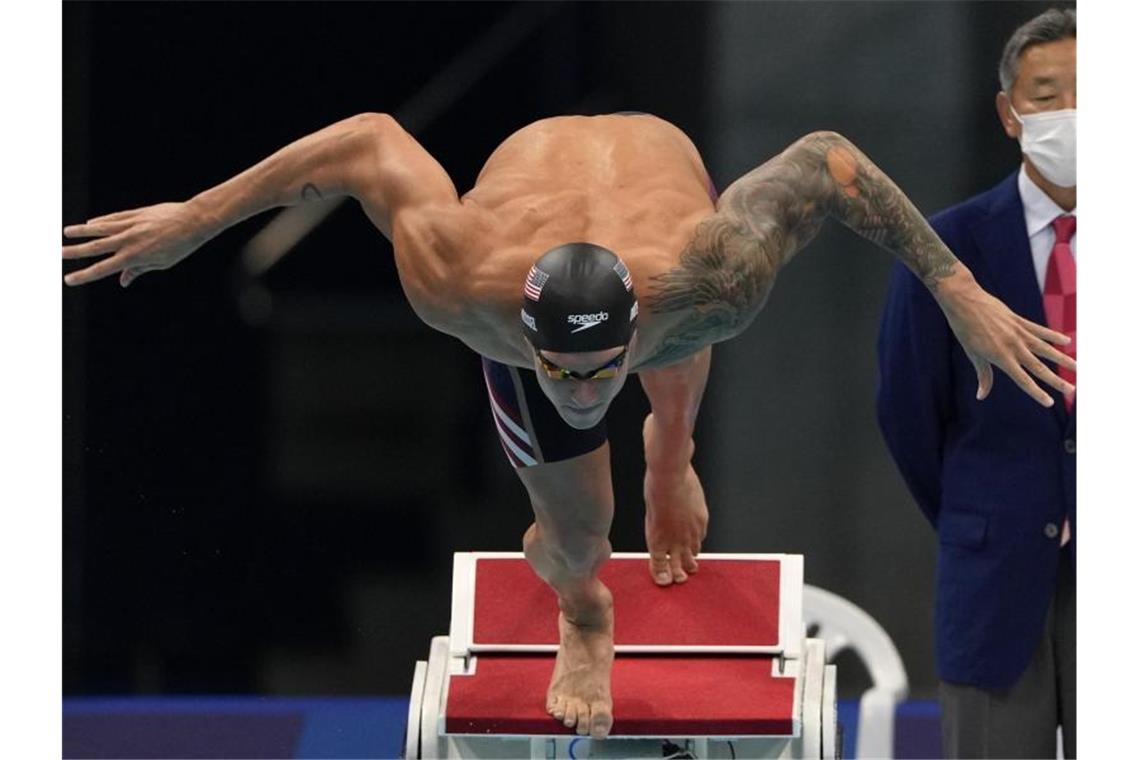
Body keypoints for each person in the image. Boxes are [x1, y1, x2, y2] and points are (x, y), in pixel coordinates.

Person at [64, 110, 1073, 740]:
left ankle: (667, 451)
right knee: (582, 531)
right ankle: (584, 607)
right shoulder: (459, 280)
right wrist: (194, 217)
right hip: (535, 204)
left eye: (602, 368)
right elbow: (366, 141)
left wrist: (957, 289)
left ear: (633, 326)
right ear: (529, 340)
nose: (586, 389)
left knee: (678, 381)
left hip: (662, 225)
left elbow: (830, 161)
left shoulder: (710, 277)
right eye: (564, 371)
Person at [876, 8, 1076, 757]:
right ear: (1009, 113)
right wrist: (982, 511)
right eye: (1047, 94)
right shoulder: (944, 247)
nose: (1070, 115)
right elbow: (907, 415)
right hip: (994, 573)